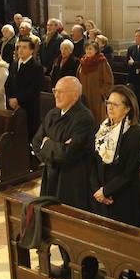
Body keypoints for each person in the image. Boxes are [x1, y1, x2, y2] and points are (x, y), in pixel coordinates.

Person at [32, 76, 96, 208]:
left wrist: (47, 144)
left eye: (61, 92)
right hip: (50, 174)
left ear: (74, 95)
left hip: (71, 180)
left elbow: (68, 153)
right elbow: (36, 143)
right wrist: (56, 147)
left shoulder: (84, 118)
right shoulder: (52, 114)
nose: (56, 95)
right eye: (55, 91)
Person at [91, 85, 140, 225]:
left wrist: (106, 191)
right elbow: (93, 163)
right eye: (108, 103)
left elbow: (129, 173)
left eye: (115, 104)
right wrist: (98, 191)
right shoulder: (102, 131)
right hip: (98, 197)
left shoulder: (136, 135)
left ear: (127, 108)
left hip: (121, 199)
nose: (110, 107)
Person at [6, 39, 44, 140]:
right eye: (19, 47)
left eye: (24, 47)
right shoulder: (14, 64)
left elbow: (34, 89)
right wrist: (10, 98)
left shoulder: (36, 66)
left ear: (31, 51)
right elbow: (8, 84)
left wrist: (18, 100)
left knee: (28, 136)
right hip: (13, 105)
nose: (20, 50)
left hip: (28, 107)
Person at [77, 41, 114, 124]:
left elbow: (109, 81)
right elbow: (78, 79)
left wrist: (101, 93)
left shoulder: (102, 62)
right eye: (86, 49)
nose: (88, 51)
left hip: (97, 98)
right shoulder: (83, 62)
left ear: (96, 50)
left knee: (97, 120)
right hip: (84, 97)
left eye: (90, 49)